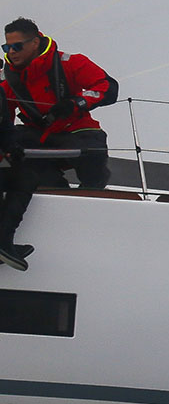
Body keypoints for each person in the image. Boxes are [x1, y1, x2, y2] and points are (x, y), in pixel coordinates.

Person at [0, 18, 119, 271]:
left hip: (76, 128)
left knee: (93, 151)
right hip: (37, 135)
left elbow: (108, 87)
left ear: (35, 42)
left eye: (17, 46)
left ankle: (92, 191)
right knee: (21, 156)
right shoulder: (8, 80)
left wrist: (76, 103)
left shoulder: (69, 62)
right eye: (6, 47)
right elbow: (4, 120)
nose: (11, 52)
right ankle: (53, 195)